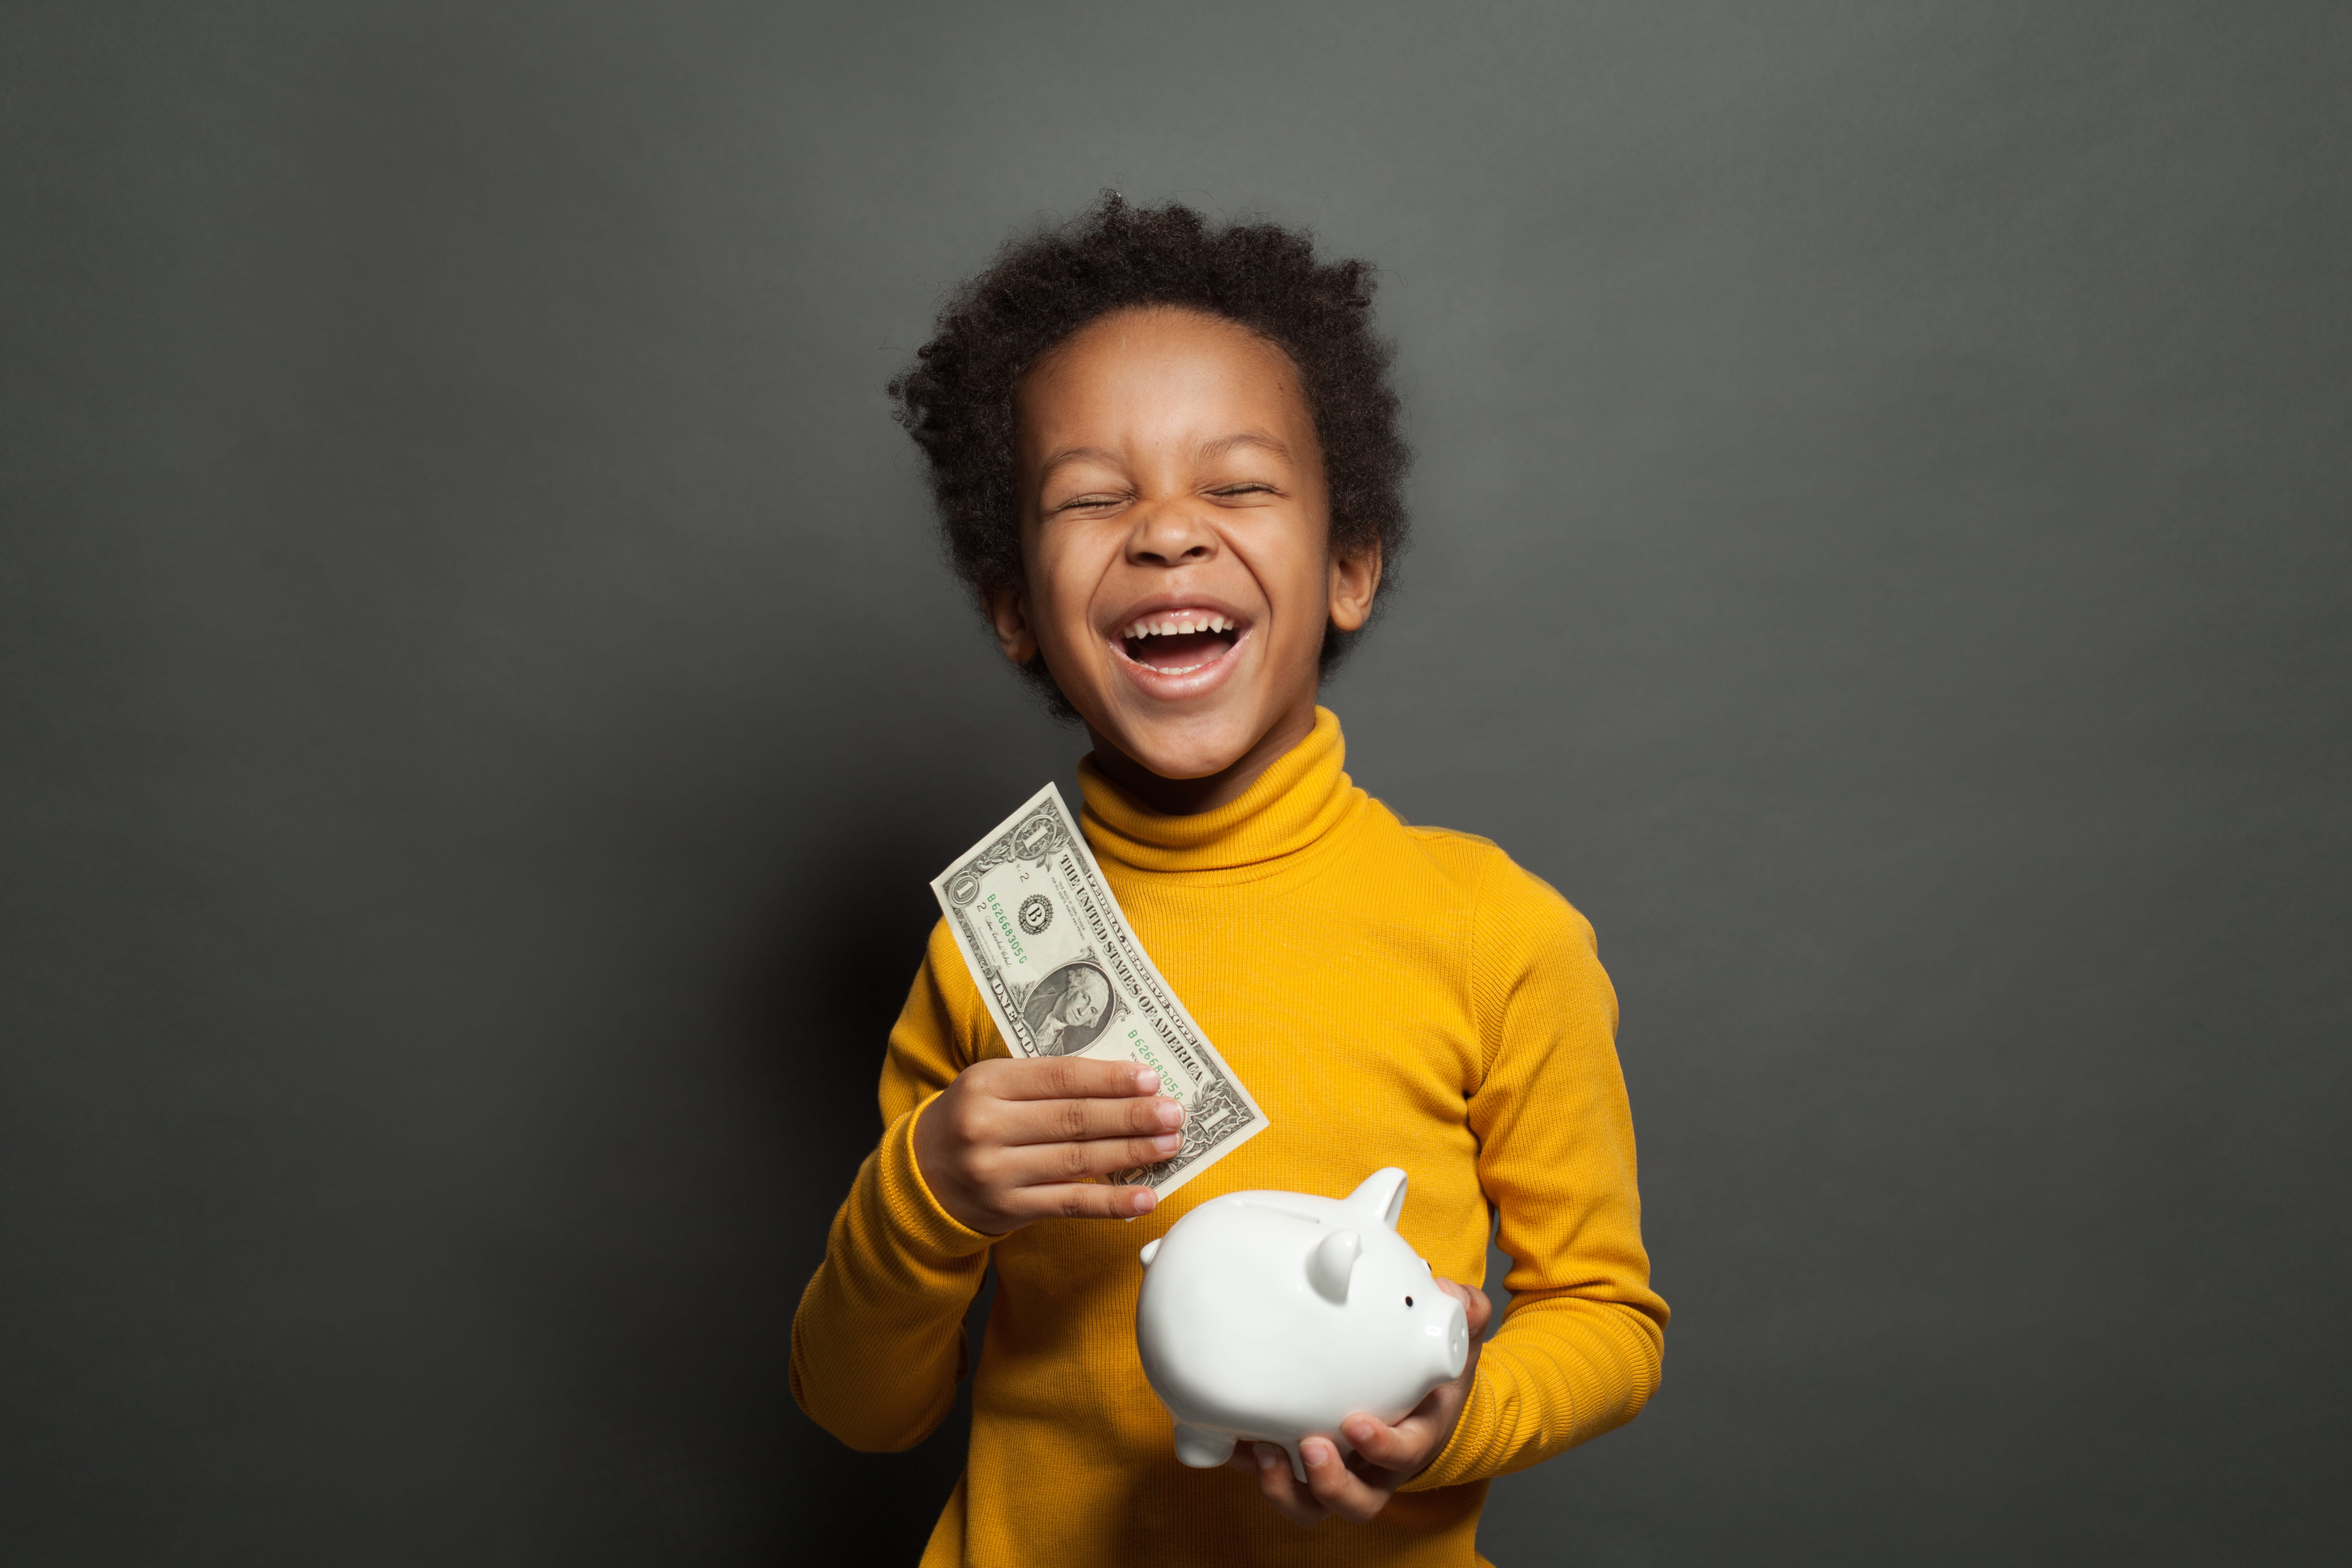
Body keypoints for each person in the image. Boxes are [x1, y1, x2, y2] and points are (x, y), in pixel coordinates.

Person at [791, 195, 1667, 1566]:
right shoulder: (981, 953)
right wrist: (927, 1193)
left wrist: (1456, 1417)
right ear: (1014, 608)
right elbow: (860, 1409)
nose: (1165, 533)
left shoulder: (1494, 929)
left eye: (1237, 484)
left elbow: (1607, 1319)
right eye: (1092, 497)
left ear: (1349, 567)